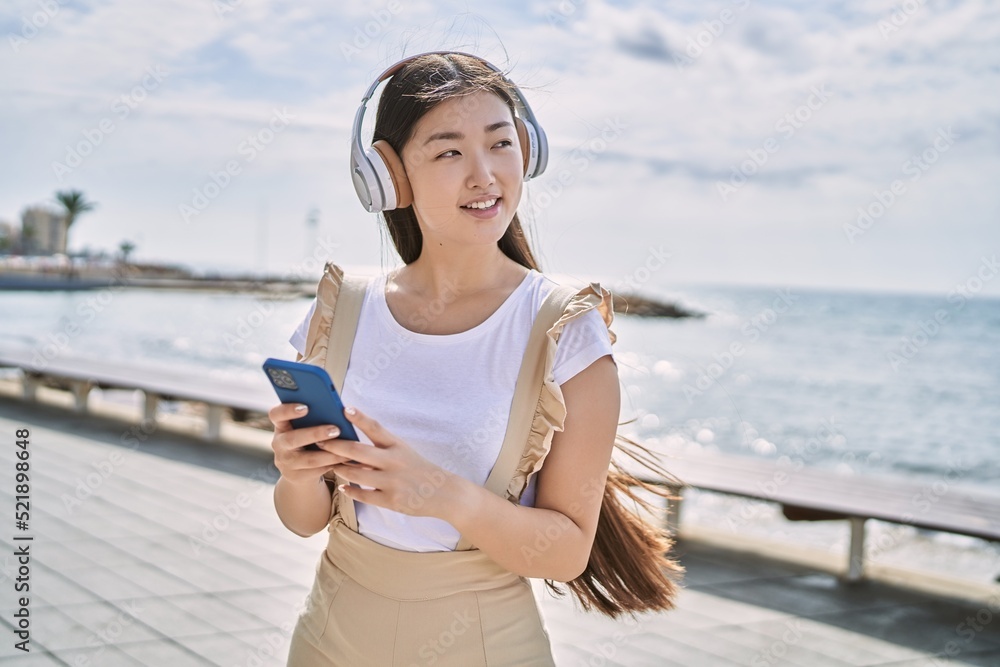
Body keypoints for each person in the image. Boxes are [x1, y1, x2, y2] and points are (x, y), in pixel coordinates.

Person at [269, 51, 680, 666]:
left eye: (500, 144)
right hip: (330, 641)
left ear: (528, 151)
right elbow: (305, 521)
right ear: (389, 175)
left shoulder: (566, 333)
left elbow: (566, 552)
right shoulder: (340, 313)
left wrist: (437, 493)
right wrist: (297, 474)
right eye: (449, 151)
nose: (485, 175)